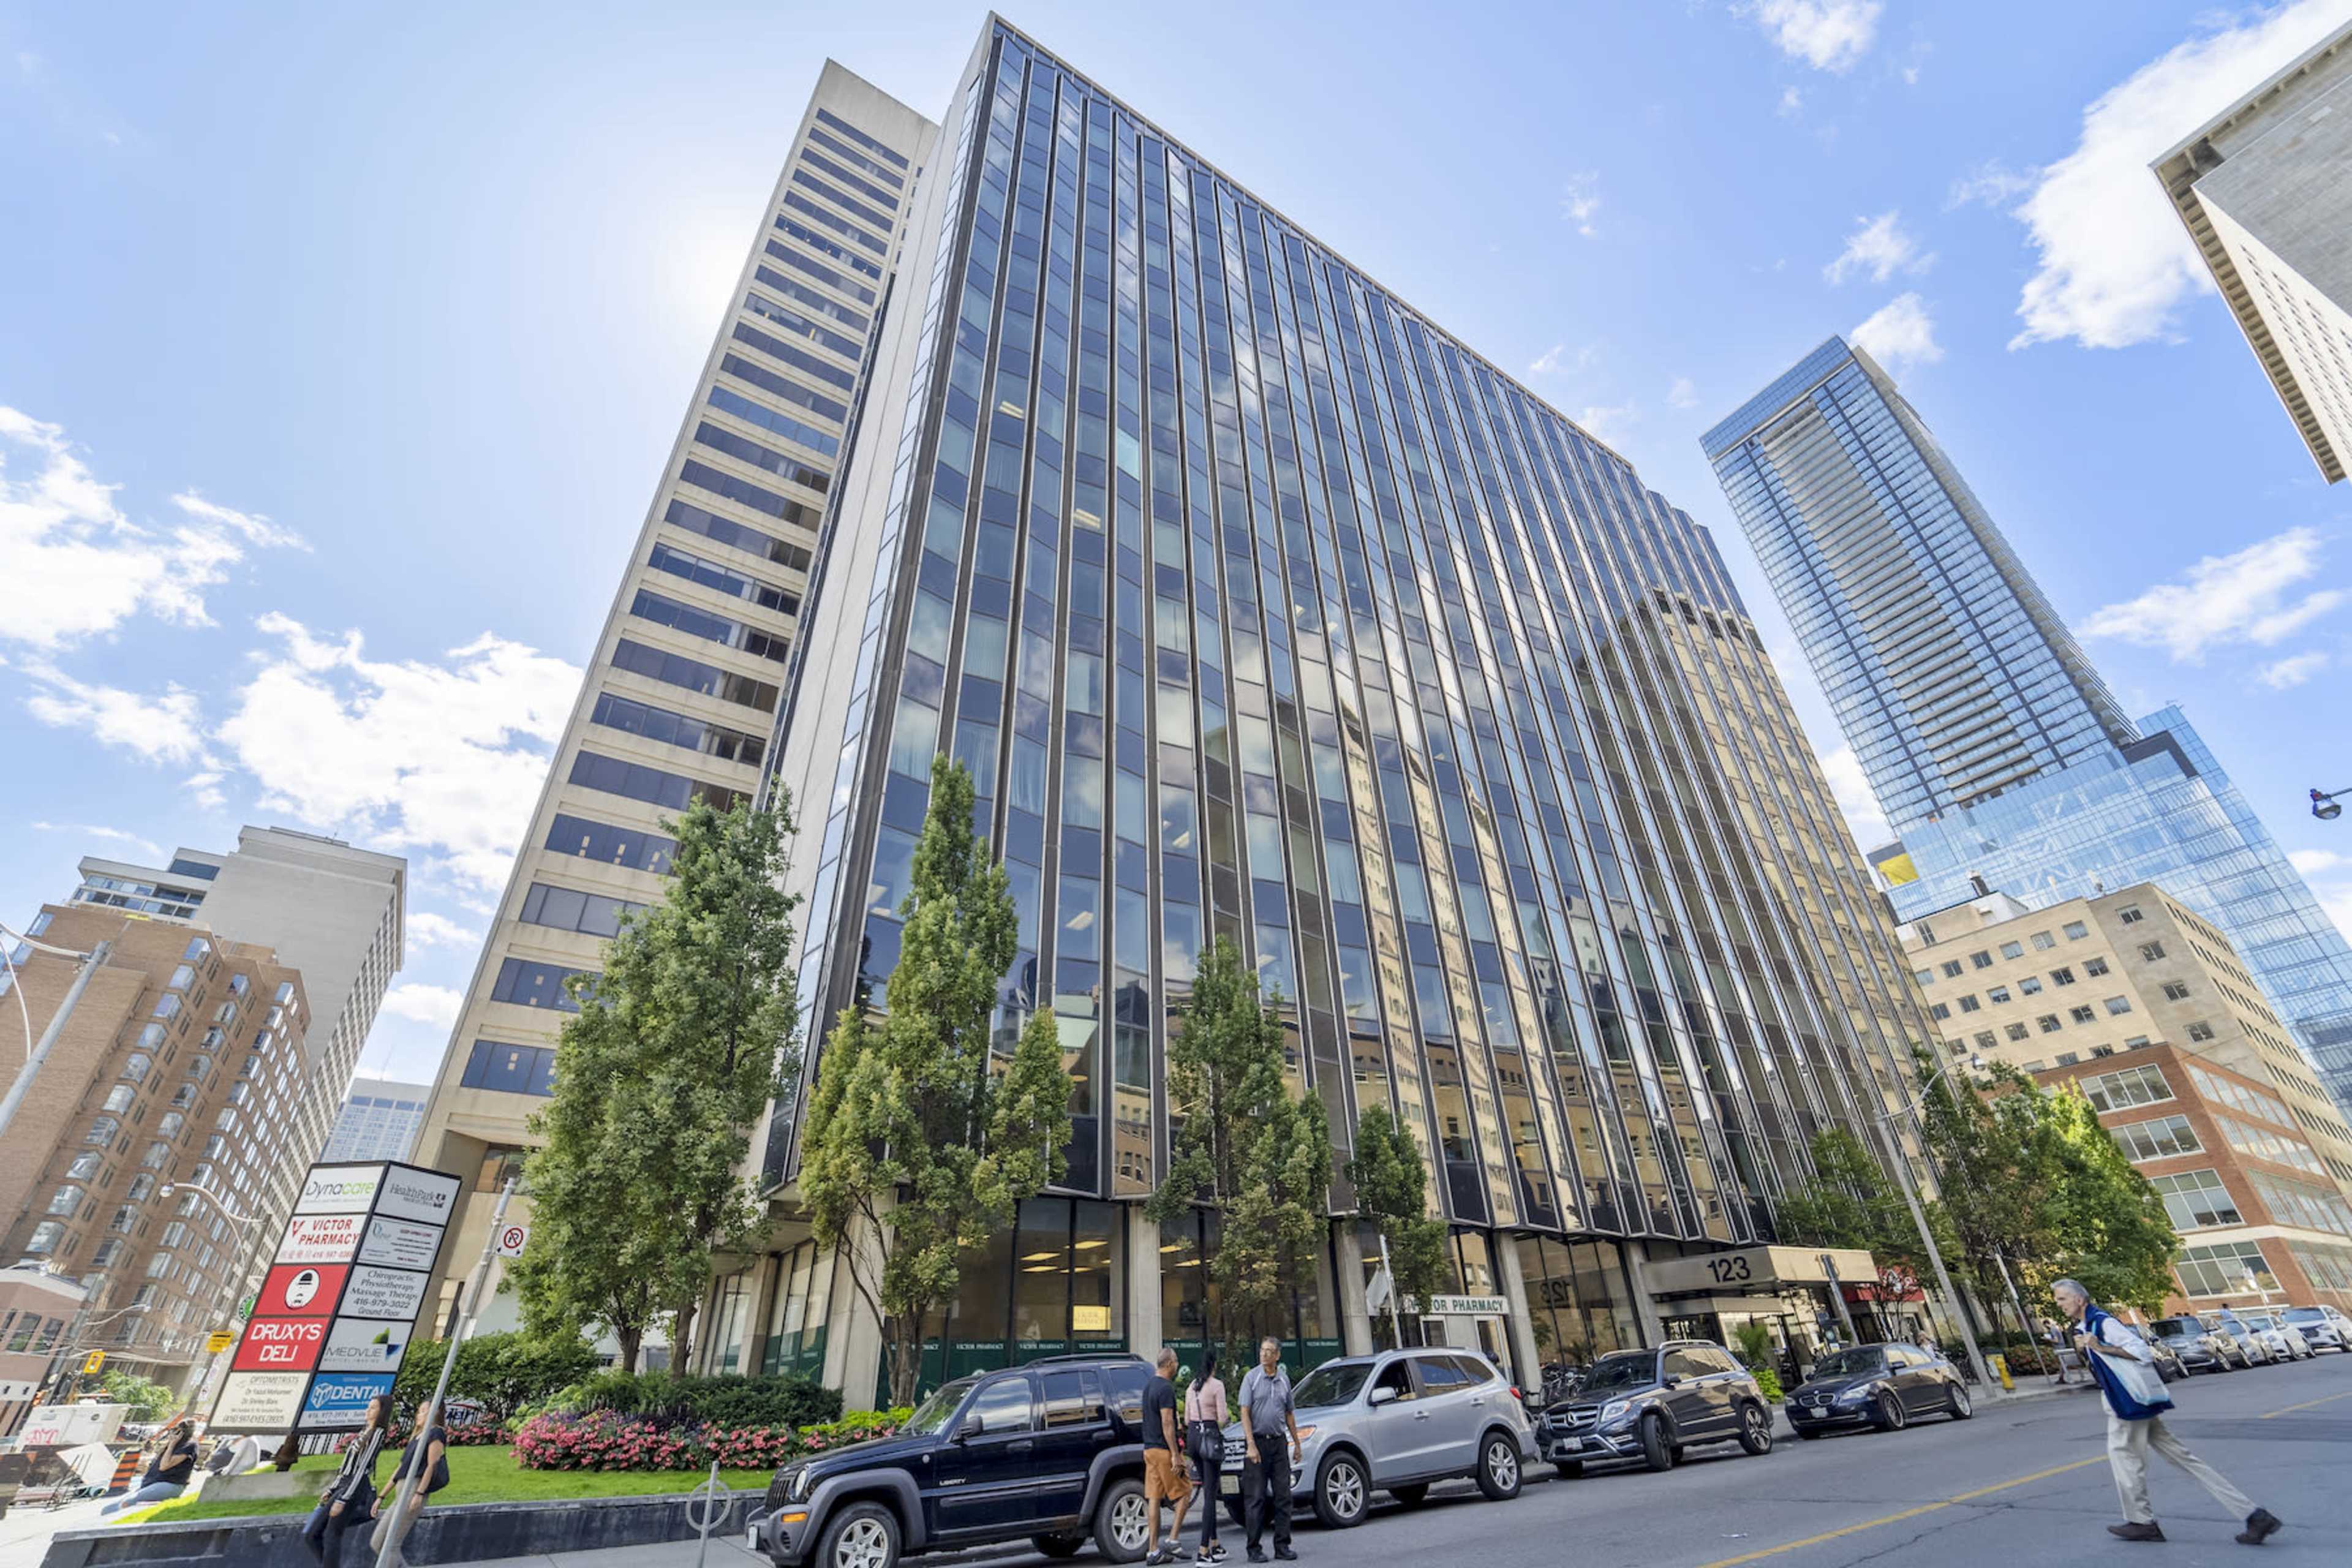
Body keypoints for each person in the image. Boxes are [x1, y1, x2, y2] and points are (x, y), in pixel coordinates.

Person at [2054, 1278, 2281, 1546]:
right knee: (2184, 1459)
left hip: (2128, 1403)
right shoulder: (2086, 1326)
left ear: (2079, 1300)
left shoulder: (2103, 1323)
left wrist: (2100, 1347)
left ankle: (2142, 1522)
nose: (2060, 1305)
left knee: (2124, 1459)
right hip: (2132, 1401)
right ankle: (2255, 1515)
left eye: (2062, 1299)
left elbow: (2142, 1352)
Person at [305, 1395, 393, 1564]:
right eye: (369, 1406)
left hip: (354, 1487)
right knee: (312, 1535)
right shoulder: (364, 1432)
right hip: (343, 1485)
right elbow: (345, 1467)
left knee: (332, 1535)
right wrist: (332, 1489)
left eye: (373, 1407)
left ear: (382, 1412)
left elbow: (362, 1468)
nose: (368, 1410)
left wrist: (344, 1499)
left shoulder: (378, 1434)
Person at [1238, 1337, 1300, 1564]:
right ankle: (1254, 1548)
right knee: (1255, 1498)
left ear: (1277, 1356)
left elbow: (1290, 1414)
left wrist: (1297, 1444)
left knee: (1283, 1496)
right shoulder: (1252, 1379)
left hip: (1278, 1443)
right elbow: (1244, 1412)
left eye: (1269, 1351)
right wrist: (1250, 1445)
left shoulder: (1283, 1380)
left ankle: (1282, 1546)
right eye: (1263, 1351)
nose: (1264, 1355)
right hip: (1258, 1443)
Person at [369, 1399, 449, 1567]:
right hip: (401, 1490)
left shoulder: (436, 1433)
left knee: (391, 1545)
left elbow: (432, 1465)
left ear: (435, 1412)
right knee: (377, 1542)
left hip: (414, 1489)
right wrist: (381, 1496)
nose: (419, 1414)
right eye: (419, 1411)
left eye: (425, 1411)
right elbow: (400, 1468)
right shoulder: (416, 1437)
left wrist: (419, 1493)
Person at [1141, 1348, 1192, 1566]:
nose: (1178, 1365)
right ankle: (1172, 1539)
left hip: (1149, 1450)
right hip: (1164, 1451)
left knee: (1153, 1498)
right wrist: (1175, 1455)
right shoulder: (1165, 1388)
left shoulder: (1149, 1385)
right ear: (1170, 1363)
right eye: (1177, 1361)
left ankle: (1153, 1551)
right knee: (1185, 1492)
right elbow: (1168, 1423)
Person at [102, 1418, 201, 1515]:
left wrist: (171, 1445)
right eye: (173, 1430)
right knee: (109, 1508)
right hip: (151, 1483)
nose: (172, 1433)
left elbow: (164, 1466)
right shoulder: (173, 1445)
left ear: (183, 1433)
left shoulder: (189, 1446)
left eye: (176, 1430)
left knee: (127, 1503)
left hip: (170, 1484)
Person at [1186, 1352, 1229, 1564]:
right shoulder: (1217, 1386)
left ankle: (1215, 1543)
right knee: (1210, 1496)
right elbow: (1222, 1418)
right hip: (1210, 1439)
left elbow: (1186, 1418)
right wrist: (1227, 1419)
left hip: (1193, 1438)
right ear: (1215, 1365)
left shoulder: (1192, 1386)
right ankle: (1203, 1552)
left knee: (1207, 1489)